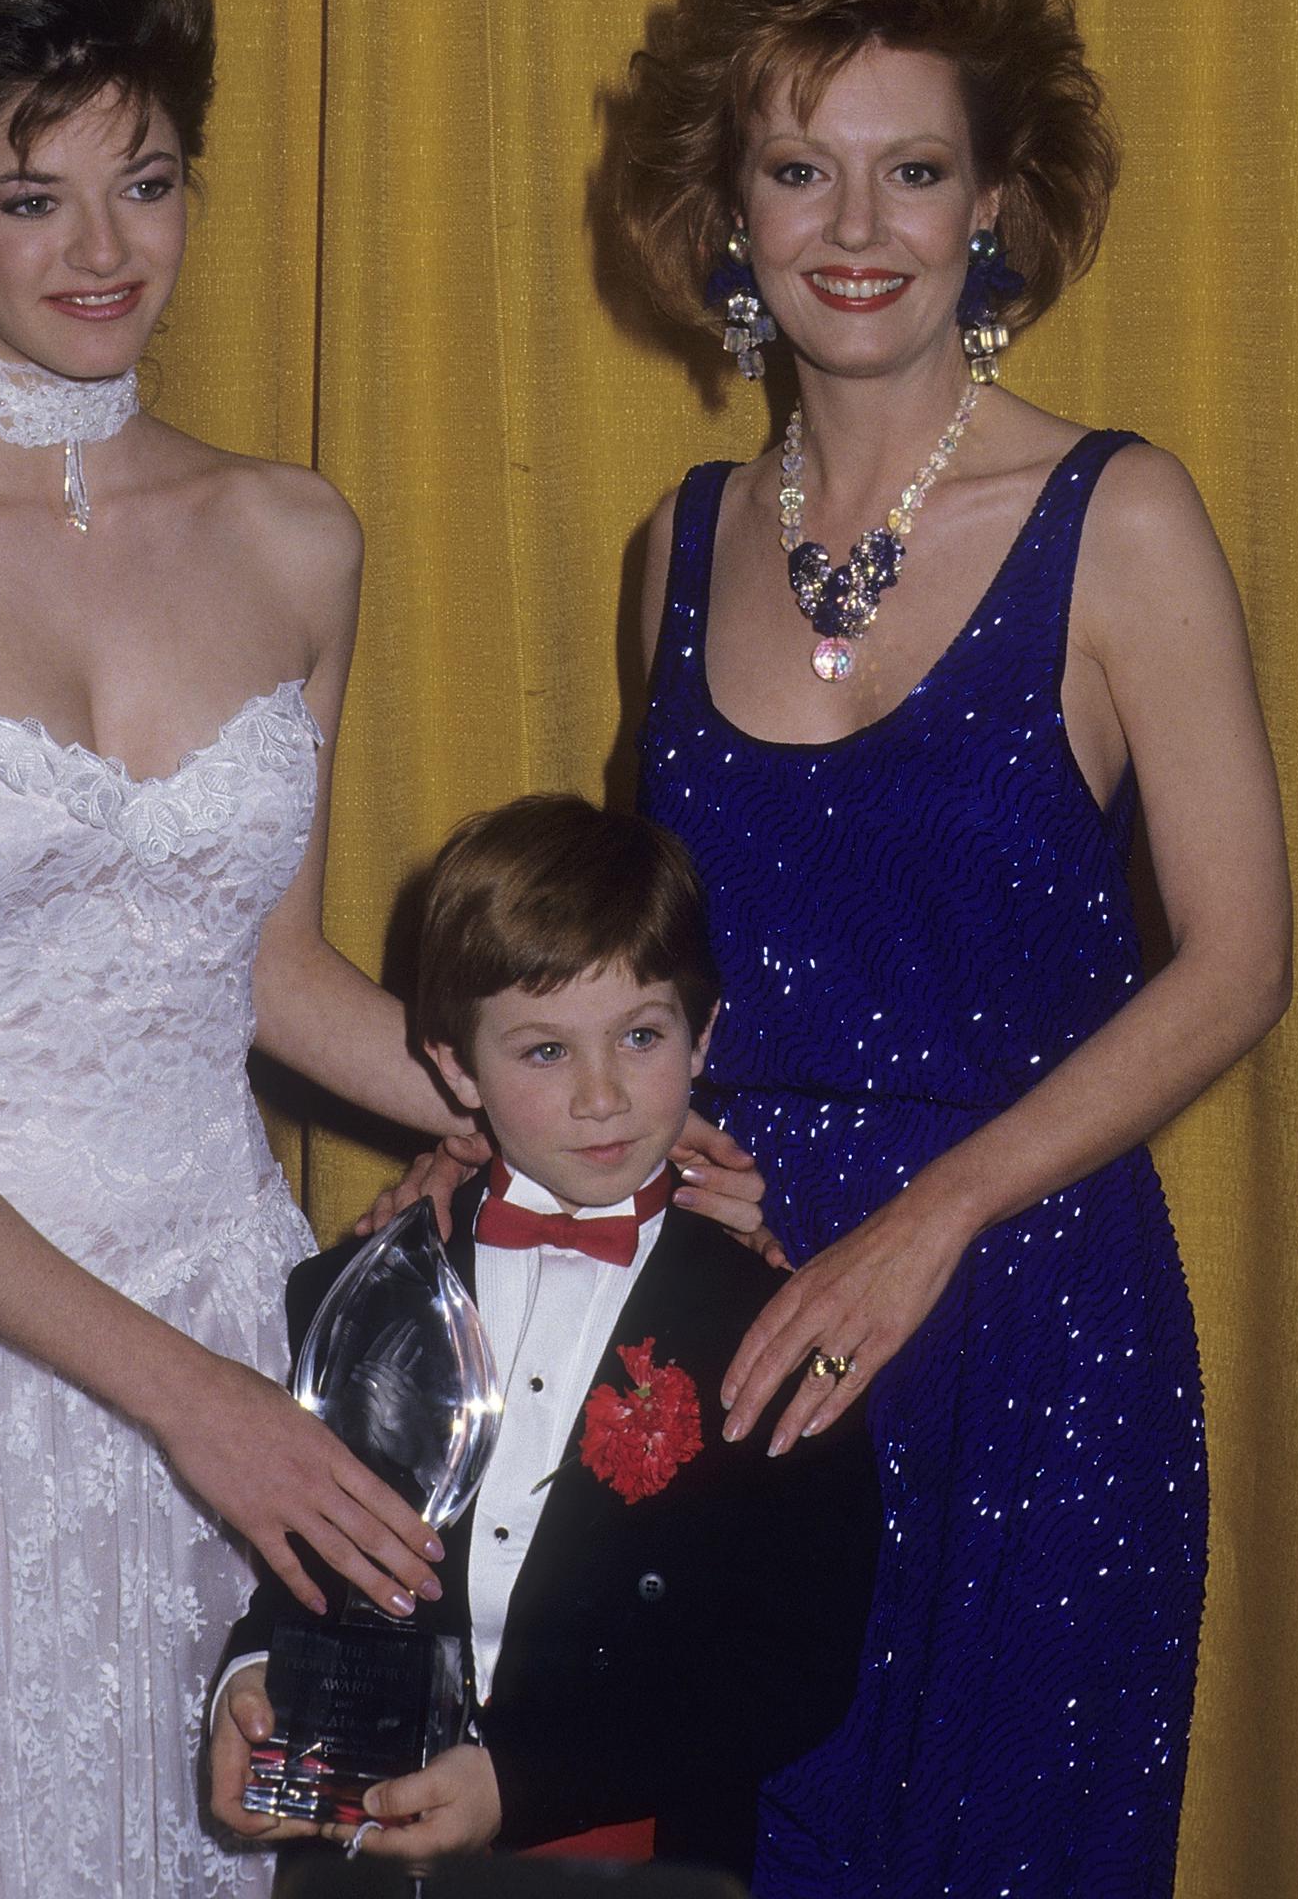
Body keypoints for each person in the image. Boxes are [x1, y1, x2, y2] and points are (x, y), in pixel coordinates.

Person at [0, 0, 760, 1898]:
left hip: (224, 1288)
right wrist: (201, 1407)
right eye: (31, 194)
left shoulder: (294, 540)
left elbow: (256, 969)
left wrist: (589, 1124)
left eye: (147, 179)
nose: (103, 249)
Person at [614, 0, 1291, 1895]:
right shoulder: (670, 543)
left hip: (1029, 1325)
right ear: (726, 208)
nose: (852, 228)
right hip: (734, 1335)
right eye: (797, 169)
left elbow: (1240, 965)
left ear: (991, 202)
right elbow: (650, 971)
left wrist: (928, 1220)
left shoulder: (1121, 517)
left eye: (911, 170)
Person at [211, 795, 881, 1881]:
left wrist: (520, 1782)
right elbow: (307, 1561)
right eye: (541, 1052)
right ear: (454, 1070)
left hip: (624, 1854)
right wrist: (254, 1678)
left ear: (702, 1033)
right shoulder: (357, 1295)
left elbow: (793, 1668)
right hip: (363, 1855)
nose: (601, 1095)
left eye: (641, 1035)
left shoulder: (772, 1328)